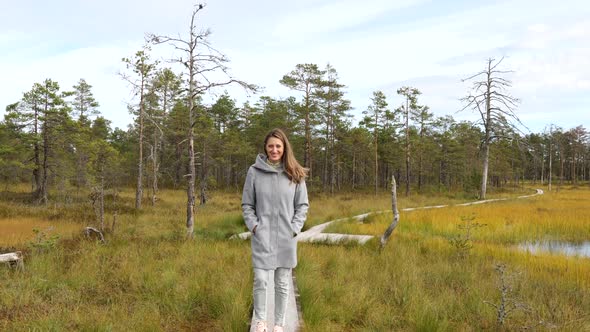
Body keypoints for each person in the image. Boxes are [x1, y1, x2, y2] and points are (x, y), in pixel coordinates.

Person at [242, 128, 309, 332]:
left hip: (285, 238)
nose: (274, 149)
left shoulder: (295, 173)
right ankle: (261, 321)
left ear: (284, 147)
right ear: (265, 147)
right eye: (270, 146)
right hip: (262, 236)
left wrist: (294, 229)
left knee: (281, 283)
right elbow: (247, 205)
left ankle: (279, 324)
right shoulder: (254, 172)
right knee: (261, 280)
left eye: (278, 146)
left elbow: (303, 205)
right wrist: (254, 226)